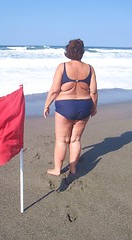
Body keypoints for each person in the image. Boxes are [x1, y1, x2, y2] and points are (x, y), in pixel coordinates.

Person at [43, 39, 98, 176]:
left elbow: (55, 90)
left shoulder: (62, 67)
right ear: (82, 52)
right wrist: (94, 107)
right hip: (85, 105)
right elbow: (93, 92)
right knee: (75, 139)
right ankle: (73, 169)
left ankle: (57, 170)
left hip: (65, 106)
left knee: (62, 139)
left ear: (68, 51)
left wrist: (47, 104)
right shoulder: (90, 68)